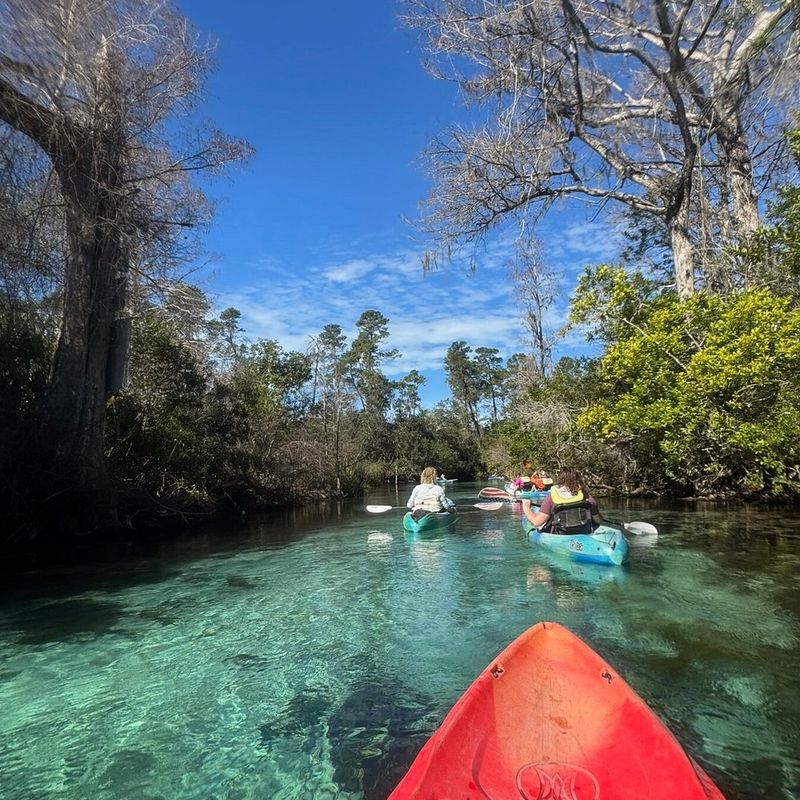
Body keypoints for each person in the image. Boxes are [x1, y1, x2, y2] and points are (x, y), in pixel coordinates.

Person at [521, 468, 602, 535]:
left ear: (559, 479)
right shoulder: (587, 498)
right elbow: (598, 521)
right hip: (584, 533)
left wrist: (526, 507)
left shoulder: (551, 499)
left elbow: (537, 522)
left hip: (560, 536)